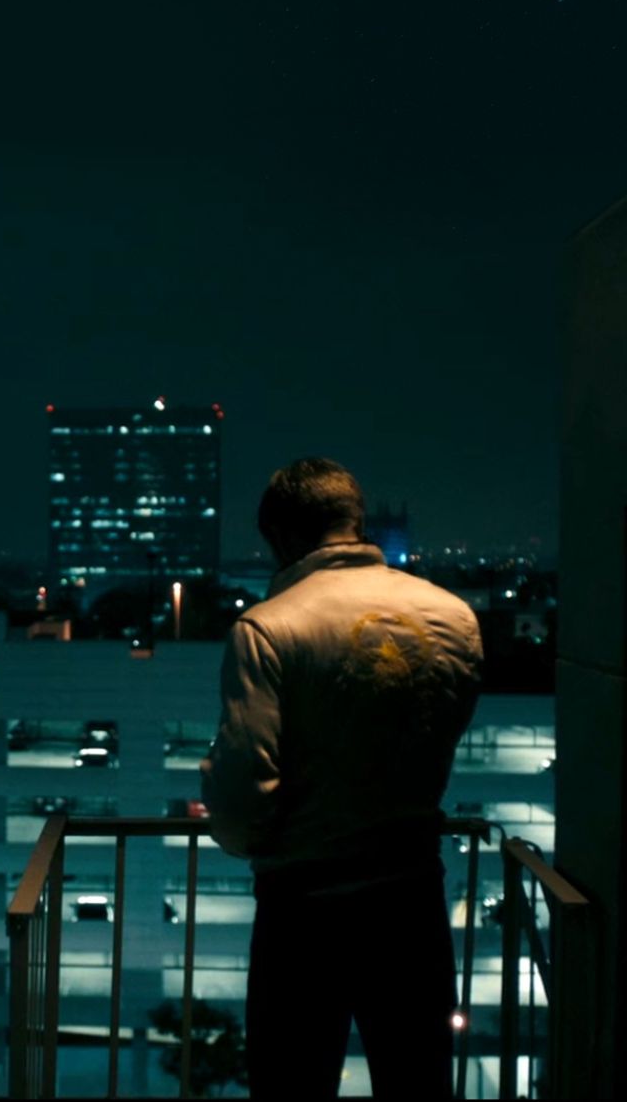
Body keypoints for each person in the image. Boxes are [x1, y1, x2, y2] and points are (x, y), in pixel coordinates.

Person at [200, 458, 483, 1100]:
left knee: (292, 1082)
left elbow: (245, 785)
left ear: (281, 535)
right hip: (413, 894)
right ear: (356, 522)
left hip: (304, 906)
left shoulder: (269, 628)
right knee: (418, 1081)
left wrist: (254, 839)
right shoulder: (454, 617)